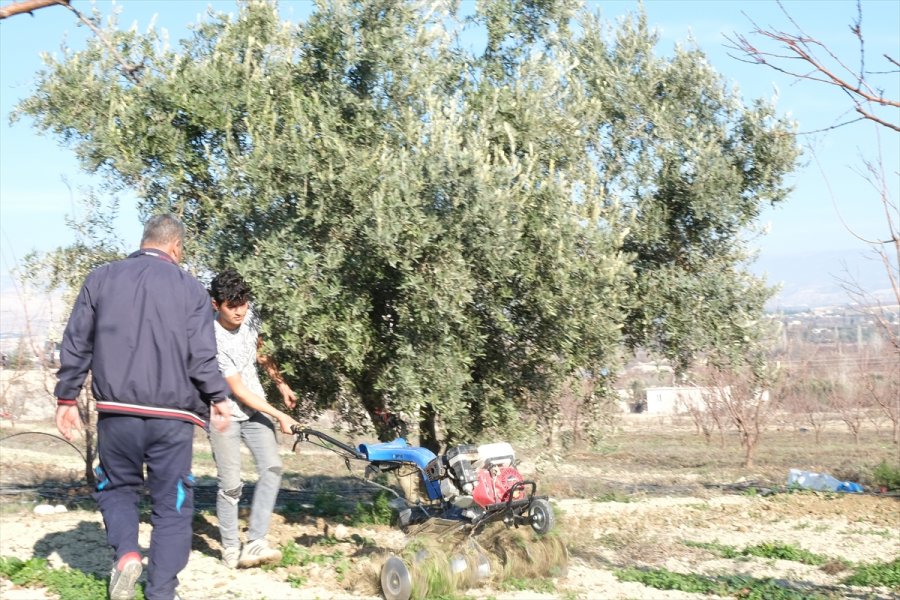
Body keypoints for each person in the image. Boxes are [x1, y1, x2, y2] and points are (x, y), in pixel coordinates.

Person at [54, 214, 232, 600]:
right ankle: (161, 592)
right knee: (173, 505)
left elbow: (77, 342)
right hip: (173, 420)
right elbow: (202, 358)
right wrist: (218, 397)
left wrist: (67, 396)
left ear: (145, 240)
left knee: (117, 488)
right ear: (176, 247)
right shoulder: (191, 290)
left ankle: (127, 555)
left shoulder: (101, 278)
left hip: (118, 414)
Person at [208, 268, 299, 569]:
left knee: (272, 467)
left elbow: (262, 352)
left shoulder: (250, 313)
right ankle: (231, 548)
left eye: (243, 302)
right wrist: (280, 416)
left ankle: (256, 541)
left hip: (255, 409)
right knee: (231, 485)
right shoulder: (213, 338)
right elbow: (238, 391)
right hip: (225, 415)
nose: (239, 311)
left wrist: (281, 383)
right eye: (231, 305)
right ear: (215, 305)